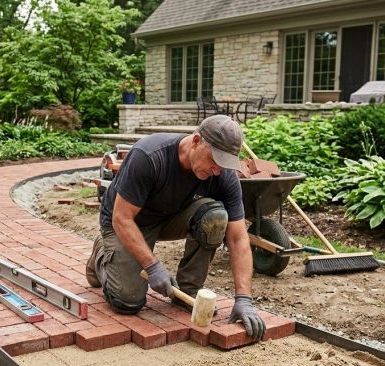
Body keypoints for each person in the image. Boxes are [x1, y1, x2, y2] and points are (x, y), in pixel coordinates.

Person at [86, 115, 266, 340]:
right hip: (128, 222)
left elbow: (238, 238)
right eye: (214, 160)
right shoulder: (149, 156)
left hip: (170, 217)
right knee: (126, 301)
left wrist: (244, 298)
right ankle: (102, 254)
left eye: (224, 164)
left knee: (216, 217)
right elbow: (122, 219)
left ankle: (188, 290)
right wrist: (152, 266)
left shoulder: (222, 175)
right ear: (197, 140)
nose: (217, 170)